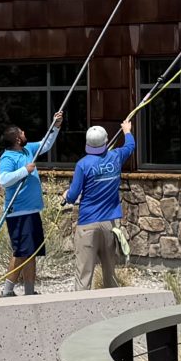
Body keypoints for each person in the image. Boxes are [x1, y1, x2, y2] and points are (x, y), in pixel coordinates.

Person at [0, 109, 61, 296]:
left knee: (31, 252)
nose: (25, 134)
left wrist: (55, 126)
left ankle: (30, 291)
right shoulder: (8, 158)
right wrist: (25, 170)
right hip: (18, 212)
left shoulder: (27, 149)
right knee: (21, 252)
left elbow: (45, 144)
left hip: (32, 211)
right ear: (16, 138)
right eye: (22, 133)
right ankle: (7, 291)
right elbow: (4, 180)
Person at [63, 119, 136, 290]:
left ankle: (81, 312)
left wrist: (66, 194)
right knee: (110, 273)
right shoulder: (116, 157)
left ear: (88, 143)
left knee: (84, 274)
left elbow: (73, 196)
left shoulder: (83, 164)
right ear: (106, 141)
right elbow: (130, 146)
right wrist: (127, 130)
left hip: (87, 224)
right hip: (109, 224)